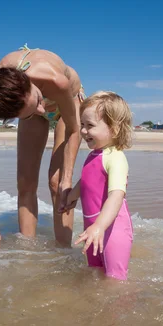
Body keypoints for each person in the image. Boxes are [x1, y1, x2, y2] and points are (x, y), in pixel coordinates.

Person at [0, 45, 85, 248]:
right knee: (25, 182)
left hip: (67, 105)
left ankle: (63, 252)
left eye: (38, 100)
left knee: (56, 182)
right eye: (35, 108)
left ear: (26, 82)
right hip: (28, 107)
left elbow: (74, 130)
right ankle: (28, 252)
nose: (42, 109)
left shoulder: (53, 79)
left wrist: (67, 178)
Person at [59, 91, 134, 280]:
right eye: (82, 125)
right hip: (92, 227)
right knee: (95, 272)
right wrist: (71, 197)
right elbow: (86, 181)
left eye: (90, 126)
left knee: (115, 279)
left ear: (115, 129)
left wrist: (100, 226)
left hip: (112, 228)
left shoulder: (115, 157)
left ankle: (120, 308)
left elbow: (116, 195)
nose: (83, 131)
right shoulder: (95, 154)